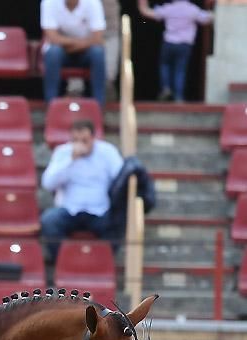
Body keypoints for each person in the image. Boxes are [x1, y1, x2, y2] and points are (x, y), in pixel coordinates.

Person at [40, 118, 123, 262]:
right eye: (75, 140)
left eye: (84, 140)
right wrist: (70, 160)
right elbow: (48, 183)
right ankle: (64, 262)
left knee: (118, 222)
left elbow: (121, 177)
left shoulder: (107, 151)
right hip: (69, 209)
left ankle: (102, 264)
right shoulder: (63, 152)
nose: (80, 144)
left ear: (93, 138)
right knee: (49, 221)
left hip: (100, 210)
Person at [137, 0, 213, 101]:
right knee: (180, 70)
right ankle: (178, 96)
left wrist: (142, 4)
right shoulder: (191, 9)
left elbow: (147, 12)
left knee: (164, 65)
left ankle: (166, 87)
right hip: (185, 44)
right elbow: (207, 18)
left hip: (169, 42)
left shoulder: (169, 8)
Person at [41, 0, 107, 107]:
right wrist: (81, 42)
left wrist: (68, 45)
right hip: (61, 52)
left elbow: (98, 38)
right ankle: (50, 107)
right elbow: (52, 38)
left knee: (98, 52)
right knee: (53, 52)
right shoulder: (49, 2)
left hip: (85, 51)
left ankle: (98, 107)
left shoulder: (93, 2)